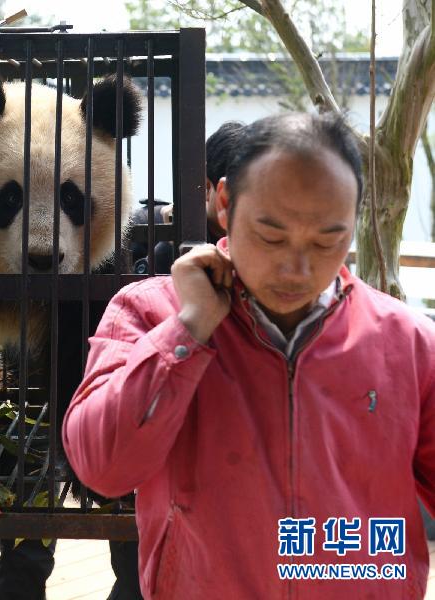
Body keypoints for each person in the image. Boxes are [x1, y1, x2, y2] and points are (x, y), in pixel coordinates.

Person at [63, 112, 435, 598]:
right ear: (223, 202)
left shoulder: (404, 342)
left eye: (329, 240)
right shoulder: (150, 314)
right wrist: (188, 331)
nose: (297, 268)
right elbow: (102, 467)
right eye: (271, 236)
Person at [132, 121, 244, 275]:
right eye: (237, 195)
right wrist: (170, 244)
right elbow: (122, 292)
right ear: (206, 187)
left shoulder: (260, 237)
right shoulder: (146, 222)